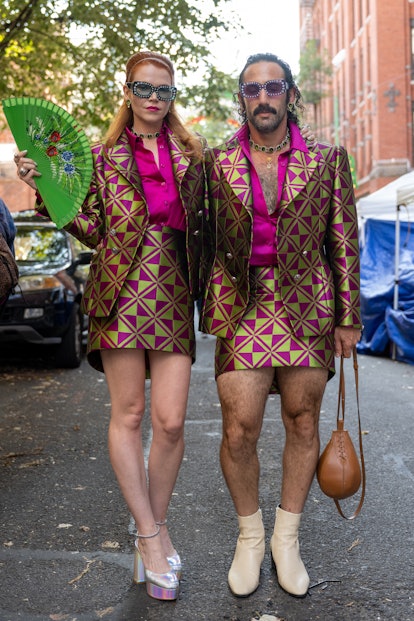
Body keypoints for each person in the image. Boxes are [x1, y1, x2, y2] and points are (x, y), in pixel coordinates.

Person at [14, 50, 206, 601]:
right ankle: (149, 540)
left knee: (170, 422)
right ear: (127, 92)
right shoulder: (97, 158)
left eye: (163, 90)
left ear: (173, 99)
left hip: (172, 294)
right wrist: (46, 187)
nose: (153, 98)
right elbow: (91, 229)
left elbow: (210, 229)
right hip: (119, 294)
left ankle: (157, 524)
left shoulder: (194, 158)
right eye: (143, 88)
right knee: (130, 413)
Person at [201, 53, 362, 598]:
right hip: (240, 303)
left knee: (301, 419)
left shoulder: (327, 159)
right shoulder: (214, 161)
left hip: (307, 303)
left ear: (290, 94)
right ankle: (250, 536)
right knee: (238, 428)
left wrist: (348, 316)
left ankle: (285, 538)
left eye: (274, 87)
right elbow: (195, 238)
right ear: (240, 99)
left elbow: (343, 241)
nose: (263, 98)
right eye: (252, 90)